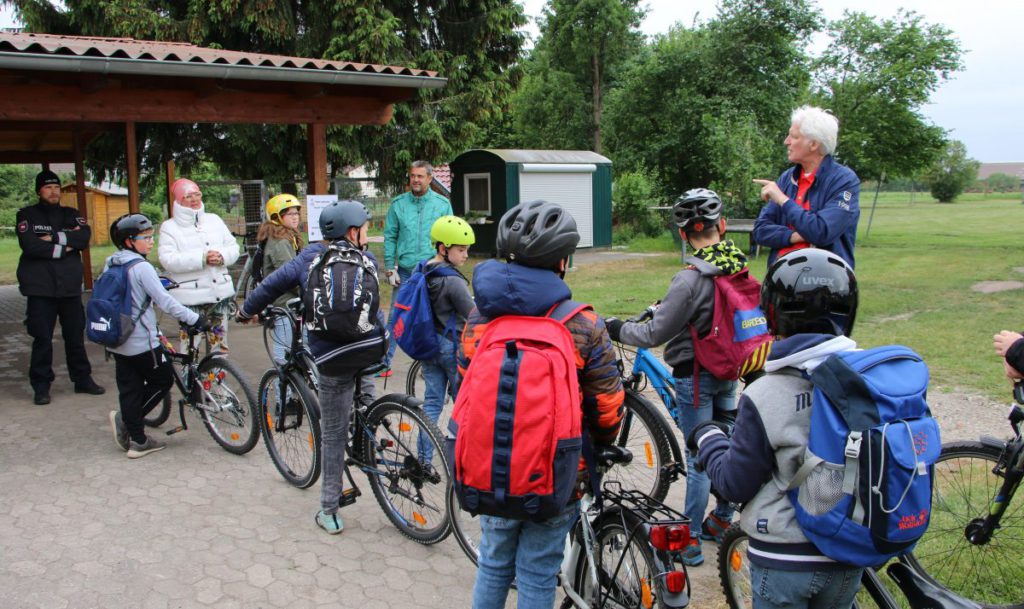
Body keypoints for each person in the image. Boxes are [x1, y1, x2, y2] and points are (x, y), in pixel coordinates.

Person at [462, 200, 624, 609]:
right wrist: (602, 443)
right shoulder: (583, 323)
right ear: (563, 262)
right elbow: (606, 402)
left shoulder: (478, 320)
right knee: (537, 571)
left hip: (492, 467)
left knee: (494, 561)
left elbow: (465, 383)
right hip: (558, 473)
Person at [689, 248, 863, 609]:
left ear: (773, 314)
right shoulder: (867, 381)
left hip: (786, 556)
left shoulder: (765, 392)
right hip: (850, 550)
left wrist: (709, 440)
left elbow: (735, 483)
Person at [604, 188, 741, 567]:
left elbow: (652, 335)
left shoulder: (689, 279)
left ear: (683, 234)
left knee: (698, 457)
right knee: (724, 445)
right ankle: (722, 519)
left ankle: (691, 540)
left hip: (695, 376)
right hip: (729, 370)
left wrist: (616, 328)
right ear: (723, 227)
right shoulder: (737, 265)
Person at [236, 200, 386, 534]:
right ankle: (372, 428)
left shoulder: (307, 258)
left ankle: (329, 510)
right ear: (352, 231)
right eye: (364, 227)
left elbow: (268, 288)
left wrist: (245, 311)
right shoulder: (367, 259)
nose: (366, 233)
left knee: (332, 433)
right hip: (370, 349)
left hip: (332, 357)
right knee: (364, 391)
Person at [104, 214, 208, 458]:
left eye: (152, 236)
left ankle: (137, 439)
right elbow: (166, 302)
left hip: (117, 338)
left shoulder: (112, 262)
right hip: (142, 342)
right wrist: (194, 319)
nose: (151, 241)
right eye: (146, 237)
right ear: (129, 241)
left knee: (129, 388)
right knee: (162, 381)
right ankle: (128, 425)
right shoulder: (142, 267)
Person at [16, 169, 105, 404]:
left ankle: (82, 379)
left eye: (56, 187)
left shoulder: (72, 213)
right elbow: (31, 246)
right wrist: (65, 244)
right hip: (40, 289)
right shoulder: (27, 215)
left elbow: (83, 239)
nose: (54, 191)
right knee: (42, 337)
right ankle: (41, 386)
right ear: (39, 191)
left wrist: (53, 237)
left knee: (75, 335)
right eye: (48, 187)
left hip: (69, 288)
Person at [752, 105, 861, 269]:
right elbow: (760, 230)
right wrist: (795, 236)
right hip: (781, 282)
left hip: (826, 283)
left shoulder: (844, 180)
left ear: (813, 144)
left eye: (793, 136)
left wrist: (782, 200)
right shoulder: (787, 178)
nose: (786, 141)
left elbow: (822, 232)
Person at [415, 215, 475, 461]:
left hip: (430, 344)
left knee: (431, 404)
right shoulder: (452, 281)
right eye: (461, 250)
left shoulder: (424, 269)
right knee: (464, 405)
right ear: (443, 248)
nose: (466, 255)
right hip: (452, 347)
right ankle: (464, 459)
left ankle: (423, 459)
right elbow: (472, 314)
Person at [383, 161, 453, 367]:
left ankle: (432, 362)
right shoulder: (398, 204)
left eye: (420, 176)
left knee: (434, 318)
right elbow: (390, 235)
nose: (415, 180)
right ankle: (384, 363)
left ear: (430, 179)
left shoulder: (442, 204)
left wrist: (447, 264)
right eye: (413, 175)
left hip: (433, 271)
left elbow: (450, 236)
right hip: (405, 272)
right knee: (396, 316)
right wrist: (389, 267)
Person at [158, 178, 240, 352]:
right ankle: (191, 378)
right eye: (188, 196)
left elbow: (233, 247)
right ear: (179, 200)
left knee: (219, 346)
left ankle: (217, 379)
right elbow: (167, 259)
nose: (194, 199)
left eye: (197, 194)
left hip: (219, 296)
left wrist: (222, 256)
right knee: (190, 348)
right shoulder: (169, 227)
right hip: (190, 301)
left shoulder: (214, 220)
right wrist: (201, 259)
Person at [256, 193, 305, 364]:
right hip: (284, 303)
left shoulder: (287, 237)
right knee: (284, 353)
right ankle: (281, 390)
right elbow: (290, 276)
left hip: (291, 302)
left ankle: (298, 387)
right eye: (290, 214)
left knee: (301, 348)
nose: (295, 217)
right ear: (277, 217)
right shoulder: (280, 242)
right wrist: (308, 292)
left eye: (297, 213)